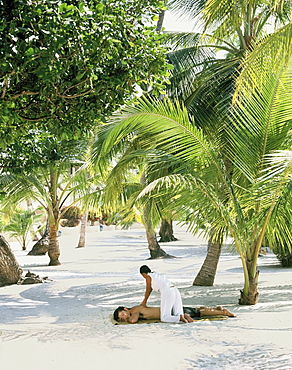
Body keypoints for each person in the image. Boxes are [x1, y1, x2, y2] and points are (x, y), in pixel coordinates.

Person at [113, 305, 235, 323]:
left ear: (125, 308)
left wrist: (128, 319)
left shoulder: (135, 310)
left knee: (197, 313)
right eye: (121, 318)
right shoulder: (134, 312)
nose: (124, 317)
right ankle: (216, 308)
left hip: (169, 310)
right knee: (194, 311)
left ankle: (223, 311)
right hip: (168, 311)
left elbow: (133, 320)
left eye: (122, 314)